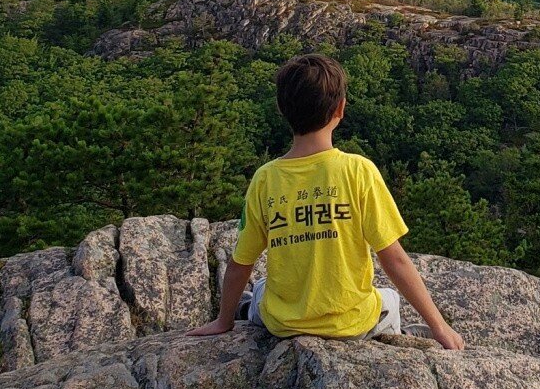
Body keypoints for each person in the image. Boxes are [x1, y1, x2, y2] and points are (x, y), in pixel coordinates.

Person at [185, 52, 465, 350]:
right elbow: (393, 258)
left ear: (281, 108)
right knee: (389, 299)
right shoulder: (358, 171)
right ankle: (401, 334)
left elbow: (241, 262)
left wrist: (223, 321)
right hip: (349, 324)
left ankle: (245, 308)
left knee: (262, 290)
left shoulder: (265, 179)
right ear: (340, 109)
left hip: (285, 325)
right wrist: (440, 326)